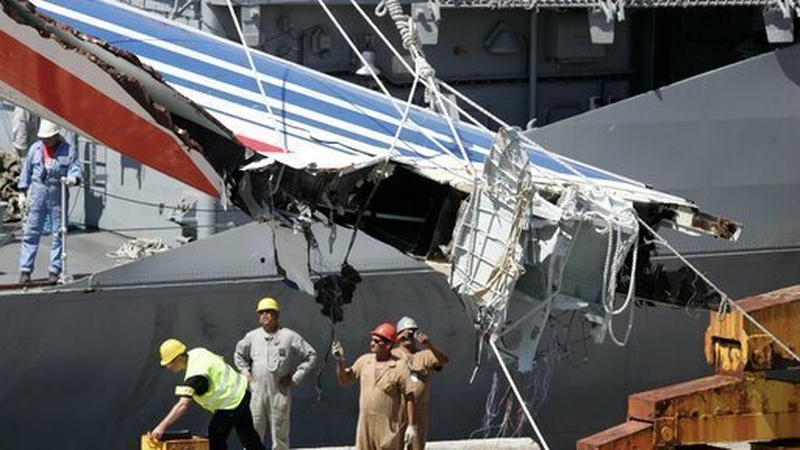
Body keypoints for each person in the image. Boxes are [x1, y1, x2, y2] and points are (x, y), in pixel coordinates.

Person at [151, 338, 265, 450]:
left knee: (215, 442)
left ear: (179, 357)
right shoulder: (199, 352)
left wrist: (162, 427)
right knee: (249, 438)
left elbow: (182, 405)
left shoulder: (195, 376)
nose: (168, 366)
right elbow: (220, 360)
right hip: (242, 393)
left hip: (230, 404)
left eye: (169, 362)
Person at [234, 297, 317, 450]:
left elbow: (310, 355)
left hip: (279, 391)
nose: (265, 315)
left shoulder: (289, 336)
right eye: (262, 312)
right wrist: (245, 372)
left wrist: (295, 377)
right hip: (256, 391)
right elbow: (238, 355)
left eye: (269, 312)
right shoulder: (252, 337)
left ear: (276, 315)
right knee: (253, 429)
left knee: (280, 432)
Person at [333, 322, 417, 450]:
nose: (372, 343)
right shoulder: (364, 361)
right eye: (372, 340)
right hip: (365, 425)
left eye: (377, 341)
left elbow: (410, 396)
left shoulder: (399, 366)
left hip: (388, 426)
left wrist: (411, 426)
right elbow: (344, 381)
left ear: (388, 344)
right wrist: (340, 361)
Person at [17, 119, 81, 284]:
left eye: (48, 138)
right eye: (43, 138)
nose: (45, 141)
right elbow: (27, 171)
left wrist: (73, 178)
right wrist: (22, 192)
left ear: (56, 136)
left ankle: (54, 270)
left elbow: (75, 167)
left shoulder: (67, 150)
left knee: (59, 233)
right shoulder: (35, 149)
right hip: (38, 193)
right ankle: (25, 270)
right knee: (31, 231)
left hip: (58, 194)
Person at [391, 317, 449, 450]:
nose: (410, 335)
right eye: (406, 332)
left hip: (418, 411)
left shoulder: (425, 355)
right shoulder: (392, 354)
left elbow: (443, 360)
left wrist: (429, 344)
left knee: (416, 446)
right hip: (396, 410)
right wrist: (398, 339)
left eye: (413, 332)